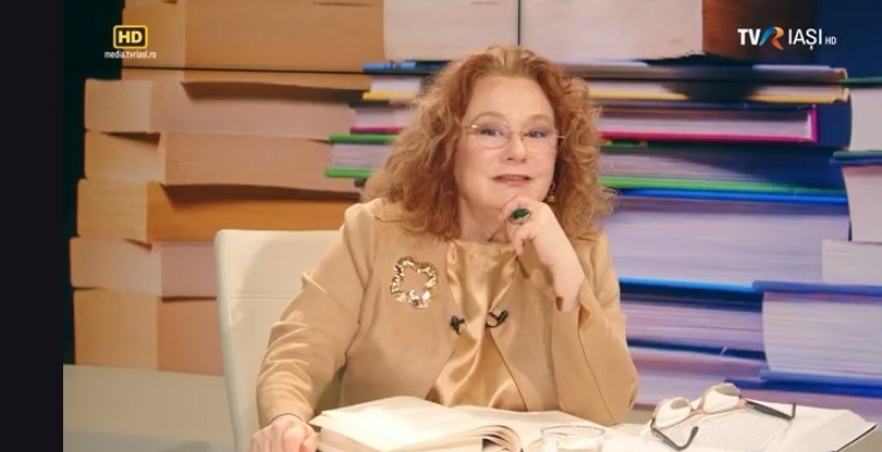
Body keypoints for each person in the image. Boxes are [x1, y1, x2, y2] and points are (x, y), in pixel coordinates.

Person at [248, 44, 639, 452]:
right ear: (449, 144)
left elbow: (608, 409)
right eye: (491, 130)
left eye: (537, 133)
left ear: (559, 153)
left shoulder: (582, 253)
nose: (517, 152)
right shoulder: (375, 233)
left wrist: (569, 280)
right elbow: (299, 351)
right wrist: (285, 419)